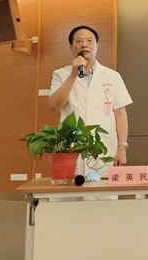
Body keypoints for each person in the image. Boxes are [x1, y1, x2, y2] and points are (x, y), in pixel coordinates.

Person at [48, 25, 132, 179]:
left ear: (96, 46)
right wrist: (73, 74)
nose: (84, 45)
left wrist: (122, 147)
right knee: (70, 190)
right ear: (71, 47)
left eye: (89, 41)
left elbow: (120, 114)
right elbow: (54, 106)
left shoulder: (112, 76)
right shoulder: (61, 74)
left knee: (102, 191)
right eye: (79, 41)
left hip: (104, 149)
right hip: (71, 148)